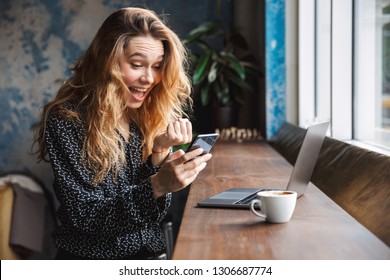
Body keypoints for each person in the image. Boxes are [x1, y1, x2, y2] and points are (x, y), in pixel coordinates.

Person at [33, 7, 212, 260]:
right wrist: (159, 183)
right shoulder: (67, 120)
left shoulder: (144, 115)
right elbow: (86, 215)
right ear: (106, 61)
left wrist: (158, 155)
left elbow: (151, 214)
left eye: (158, 66)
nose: (149, 78)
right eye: (137, 65)